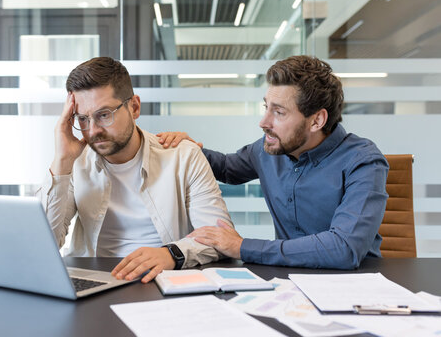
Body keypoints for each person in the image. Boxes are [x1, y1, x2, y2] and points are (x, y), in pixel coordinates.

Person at [157, 55, 389, 269]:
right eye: (266, 107)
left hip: (353, 286)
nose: (263, 122)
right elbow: (227, 168)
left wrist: (242, 247)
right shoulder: (267, 150)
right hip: (287, 282)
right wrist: (189, 148)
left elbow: (344, 248)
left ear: (317, 120)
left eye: (279, 112)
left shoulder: (364, 161)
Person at [36, 57, 231, 283]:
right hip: (92, 281)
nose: (93, 130)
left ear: (134, 107)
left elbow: (220, 237)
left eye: (104, 114)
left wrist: (171, 253)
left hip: (163, 280)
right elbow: (44, 244)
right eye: (83, 119)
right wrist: (62, 161)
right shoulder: (75, 162)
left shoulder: (183, 156)